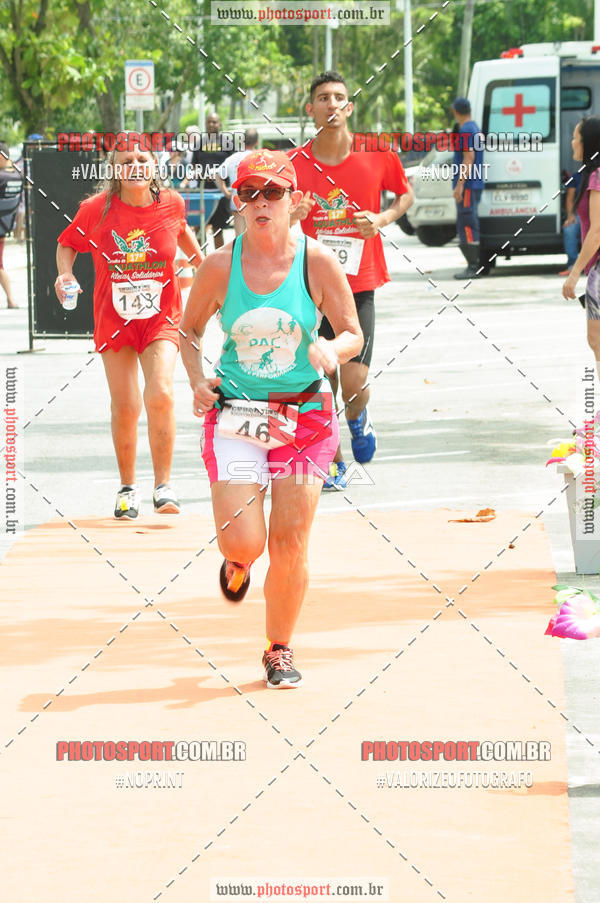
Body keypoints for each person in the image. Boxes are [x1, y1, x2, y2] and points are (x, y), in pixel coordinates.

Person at [179, 149, 362, 688]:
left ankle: (277, 648)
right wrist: (195, 379)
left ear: (294, 200)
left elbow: (353, 332)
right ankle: (236, 565)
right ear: (237, 202)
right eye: (249, 193)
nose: (260, 202)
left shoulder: (317, 261)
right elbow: (187, 330)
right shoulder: (219, 266)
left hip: (303, 412)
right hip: (238, 410)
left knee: (289, 543)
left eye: (273, 192)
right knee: (245, 544)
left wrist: (333, 349)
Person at [55, 137, 203, 518]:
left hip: (161, 317)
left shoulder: (171, 202)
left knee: (162, 393)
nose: (135, 164)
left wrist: (203, 264)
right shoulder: (96, 210)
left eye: (142, 158)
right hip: (115, 320)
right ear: (115, 171)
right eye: (126, 160)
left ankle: (164, 485)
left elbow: (182, 229)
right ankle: (127, 488)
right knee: (126, 406)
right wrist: (64, 275)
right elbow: (67, 243)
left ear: (153, 166)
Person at [288, 71, 413, 489]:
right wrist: (293, 215)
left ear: (350, 107)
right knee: (319, 381)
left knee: (352, 383)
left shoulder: (377, 154)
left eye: (339, 97)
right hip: (308, 290)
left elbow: (404, 194)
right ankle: (334, 460)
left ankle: (358, 419)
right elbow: (266, 216)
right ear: (311, 109)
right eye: (322, 98)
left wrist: (381, 219)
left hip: (359, 285)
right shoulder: (295, 164)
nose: (331, 104)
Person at [562, 117, 600, 378]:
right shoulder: (591, 175)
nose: (573, 141)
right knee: (596, 341)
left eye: (576, 136)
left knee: (596, 339)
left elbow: (596, 232)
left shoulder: (597, 177)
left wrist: (574, 273)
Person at [450, 97, 486, 280]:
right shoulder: (475, 128)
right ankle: (474, 263)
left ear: (455, 111)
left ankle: (473, 266)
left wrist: (460, 185)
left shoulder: (466, 130)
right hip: (475, 184)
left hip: (468, 185)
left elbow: (468, 157)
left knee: (467, 223)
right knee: (469, 221)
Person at [190, 111, 230, 248]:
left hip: (221, 193)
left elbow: (233, 166)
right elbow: (193, 166)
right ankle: (200, 262)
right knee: (199, 229)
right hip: (203, 193)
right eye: (209, 122)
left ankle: (219, 263)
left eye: (214, 122)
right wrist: (201, 174)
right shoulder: (199, 144)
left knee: (218, 230)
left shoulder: (228, 143)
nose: (211, 124)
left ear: (220, 124)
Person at [215, 128, 260, 235]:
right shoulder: (261, 157)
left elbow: (217, 174)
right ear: (257, 142)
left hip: (238, 203)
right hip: (257, 203)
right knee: (256, 238)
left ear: (243, 141)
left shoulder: (233, 158)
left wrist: (226, 192)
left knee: (240, 239)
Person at [0, 141, 22, 309]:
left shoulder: (2, 176)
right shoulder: (17, 174)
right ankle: (11, 299)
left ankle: (11, 299)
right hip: (5, 225)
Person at [558, 168, 582, 276]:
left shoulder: (597, 175)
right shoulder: (576, 177)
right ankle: (573, 265)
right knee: (569, 229)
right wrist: (570, 215)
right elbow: (569, 199)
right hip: (579, 216)